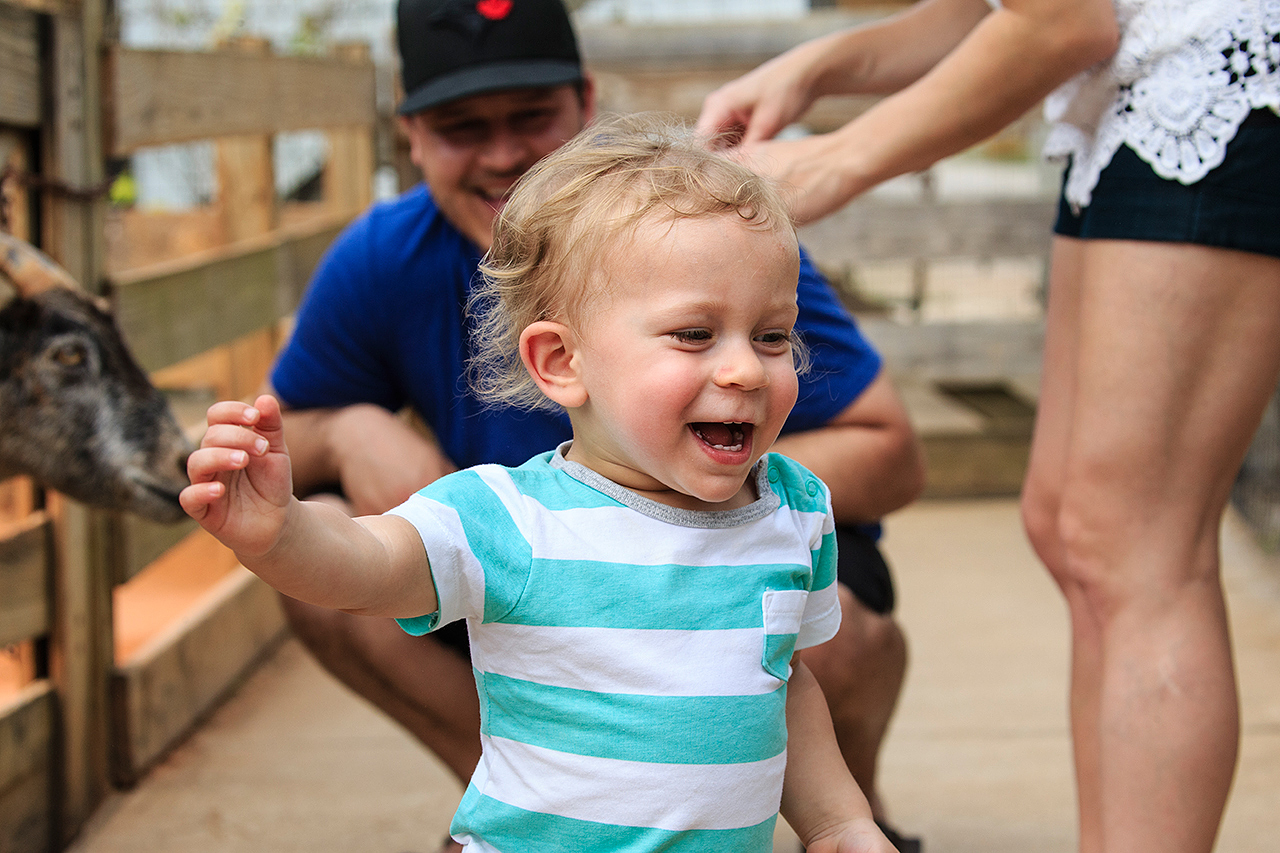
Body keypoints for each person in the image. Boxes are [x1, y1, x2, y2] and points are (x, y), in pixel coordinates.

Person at [268, 0, 927, 848]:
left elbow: (786, 679)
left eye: (772, 338)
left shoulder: (717, 251)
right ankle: (557, 803)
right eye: (464, 125)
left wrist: (841, 820)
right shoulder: (499, 510)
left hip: (736, 593)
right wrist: (282, 524)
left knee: (779, 649)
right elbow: (359, 555)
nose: (741, 365)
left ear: (583, 102)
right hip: (525, 594)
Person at [697, 2, 1280, 852]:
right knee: (1072, 526)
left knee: (1138, 548)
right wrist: (820, 67)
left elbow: (1062, 22)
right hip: (1133, 92)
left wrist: (837, 160)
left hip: (1210, 73)